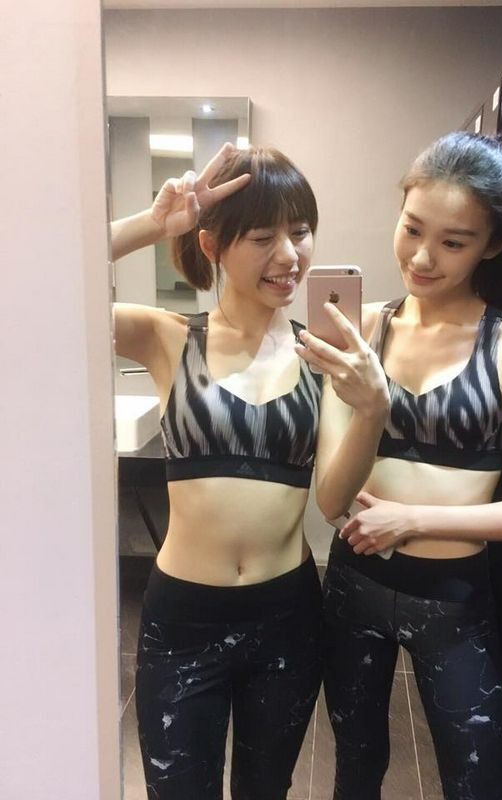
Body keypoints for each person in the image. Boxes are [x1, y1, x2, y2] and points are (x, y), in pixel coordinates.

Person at [299, 132, 502, 800]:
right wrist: (370, 408)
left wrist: (413, 519)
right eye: (412, 228)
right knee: (356, 766)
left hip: (453, 599)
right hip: (354, 586)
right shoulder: (359, 333)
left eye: (454, 242)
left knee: (476, 776)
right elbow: (331, 500)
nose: (422, 257)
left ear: (492, 244)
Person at [111, 143, 389, 800]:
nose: (289, 255)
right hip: (183, 620)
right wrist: (152, 224)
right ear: (212, 244)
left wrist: (372, 410)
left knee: (266, 791)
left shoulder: (321, 354)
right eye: (263, 237)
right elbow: (33, 285)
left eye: (300, 232)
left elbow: (332, 500)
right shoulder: (168, 336)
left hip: (285, 618)